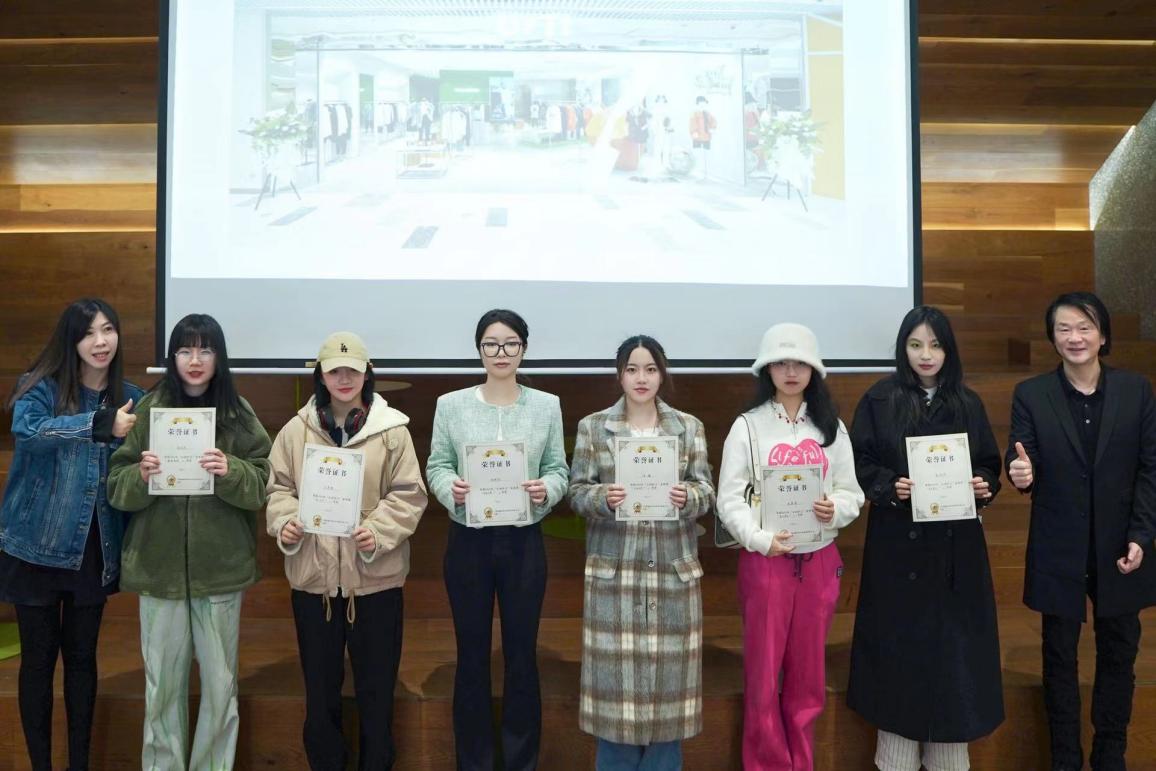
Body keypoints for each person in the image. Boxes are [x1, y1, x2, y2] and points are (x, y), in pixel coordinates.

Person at [107, 313, 272, 770]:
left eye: (205, 350)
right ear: (172, 357)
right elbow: (116, 486)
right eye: (184, 350)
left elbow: (264, 483)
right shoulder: (148, 411)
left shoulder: (238, 414)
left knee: (221, 686)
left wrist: (231, 471)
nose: (195, 360)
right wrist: (141, 475)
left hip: (221, 572)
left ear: (219, 357)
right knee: (161, 688)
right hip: (157, 571)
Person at [846, 305, 1005, 771]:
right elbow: (858, 462)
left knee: (955, 671)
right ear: (903, 349)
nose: (926, 354)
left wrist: (982, 484)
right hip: (897, 551)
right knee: (897, 669)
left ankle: (950, 757)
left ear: (948, 350)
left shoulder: (968, 402)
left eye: (935, 345)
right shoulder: (879, 399)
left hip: (956, 555)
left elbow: (988, 464)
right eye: (915, 345)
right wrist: (887, 486)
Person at [1005, 292, 1156, 771]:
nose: (1075, 337)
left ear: (1103, 335)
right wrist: (1020, 474)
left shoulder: (1136, 391)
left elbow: (1150, 469)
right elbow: (1021, 459)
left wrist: (1141, 534)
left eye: (1085, 327)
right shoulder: (1031, 394)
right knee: (1058, 658)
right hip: (1058, 547)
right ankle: (1065, 760)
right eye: (1065, 329)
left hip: (1121, 545)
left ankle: (1111, 756)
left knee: (1119, 655)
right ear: (1053, 337)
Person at [266, 331, 428, 770]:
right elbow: (278, 489)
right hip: (313, 583)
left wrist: (378, 532)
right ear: (320, 375)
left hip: (376, 583)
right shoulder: (295, 431)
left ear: (367, 374)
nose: (343, 378)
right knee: (320, 694)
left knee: (377, 691)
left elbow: (409, 494)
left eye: (352, 370)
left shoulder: (392, 432)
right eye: (334, 370)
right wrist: (286, 522)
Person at [0, 298, 142, 771]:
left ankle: (78, 764)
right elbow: (31, 431)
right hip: (33, 547)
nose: (101, 342)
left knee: (82, 660)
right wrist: (100, 424)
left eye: (108, 330)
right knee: (38, 662)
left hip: (93, 549)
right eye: (88, 333)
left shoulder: (132, 398)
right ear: (71, 340)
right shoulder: (39, 387)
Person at [425, 309, 569, 771]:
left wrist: (547, 489)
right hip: (469, 542)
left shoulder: (546, 405)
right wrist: (450, 489)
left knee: (522, 655)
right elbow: (437, 465)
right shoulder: (451, 405)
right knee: (471, 656)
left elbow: (558, 469)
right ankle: (475, 761)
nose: (501, 352)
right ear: (479, 350)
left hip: (524, 543)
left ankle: (521, 760)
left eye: (510, 343)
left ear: (523, 349)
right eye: (491, 344)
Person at [716, 322, 864, 771]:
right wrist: (761, 540)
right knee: (763, 675)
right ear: (767, 369)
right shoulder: (748, 426)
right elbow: (728, 499)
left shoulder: (831, 427)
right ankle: (766, 763)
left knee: (808, 675)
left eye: (800, 363)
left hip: (819, 563)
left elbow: (852, 492)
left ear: (814, 369)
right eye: (781, 363)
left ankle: (802, 761)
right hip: (766, 563)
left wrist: (834, 510)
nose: (791, 371)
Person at [568, 335, 715, 770]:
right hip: (616, 577)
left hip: (672, 574)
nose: (641, 378)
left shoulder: (688, 427)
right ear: (619, 375)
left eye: (650, 369)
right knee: (617, 709)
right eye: (632, 369)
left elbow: (706, 491)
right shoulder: (594, 427)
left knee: (668, 710)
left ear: (662, 374)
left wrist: (687, 496)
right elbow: (576, 492)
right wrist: (603, 498)